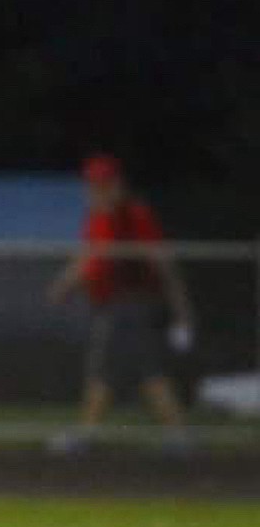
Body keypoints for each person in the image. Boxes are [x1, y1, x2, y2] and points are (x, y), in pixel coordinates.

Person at [47, 153, 194, 451]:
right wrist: (64, 283)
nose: (95, 191)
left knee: (133, 371)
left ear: (117, 185)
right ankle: (174, 435)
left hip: (130, 303)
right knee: (119, 372)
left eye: (102, 185)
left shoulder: (132, 216)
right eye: (92, 185)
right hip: (113, 306)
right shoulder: (99, 217)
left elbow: (158, 262)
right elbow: (89, 257)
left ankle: (176, 435)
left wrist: (182, 311)